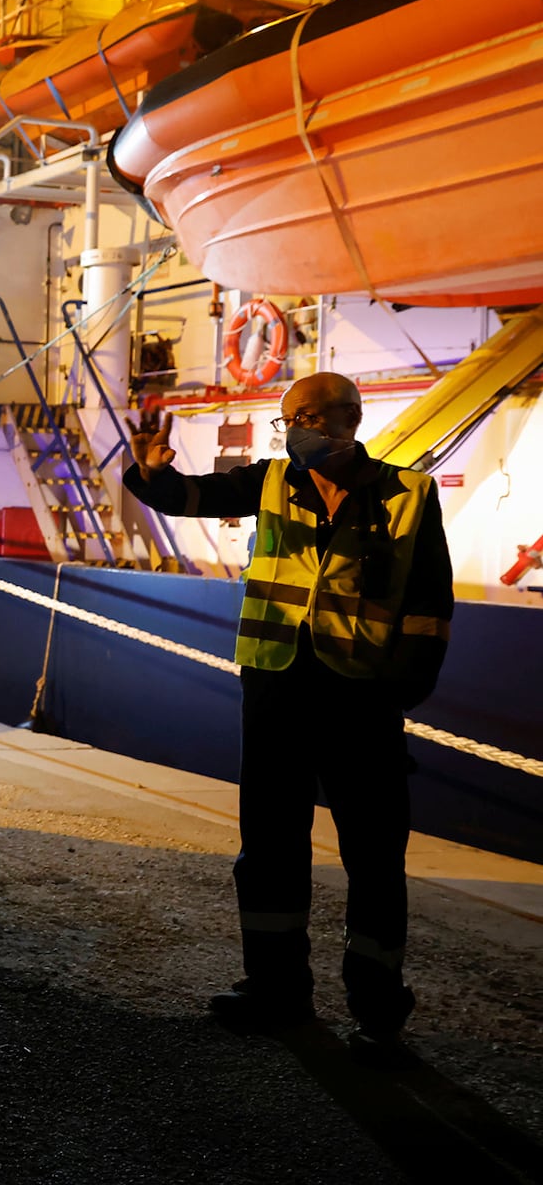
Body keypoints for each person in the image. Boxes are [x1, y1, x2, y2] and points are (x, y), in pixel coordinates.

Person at [125, 372, 453, 1064]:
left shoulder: (411, 495)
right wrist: (153, 470)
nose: (294, 428)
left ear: (348, 419)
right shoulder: (272, 480)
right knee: (270, 846)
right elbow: (191, 497)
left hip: (363, 698)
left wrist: (401, 693)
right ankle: (275, 991)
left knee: (374, 857)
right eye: (288, 418)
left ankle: (379, 1013)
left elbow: (428, 610)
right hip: (276, 685)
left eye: (305, 414)